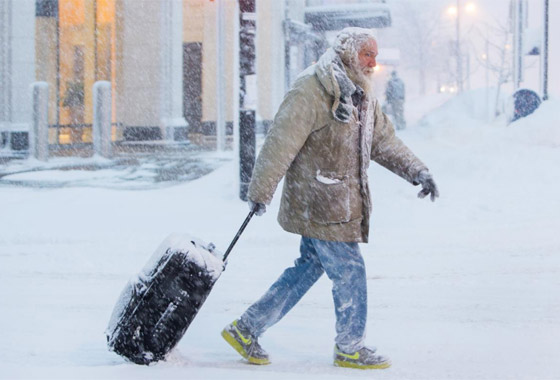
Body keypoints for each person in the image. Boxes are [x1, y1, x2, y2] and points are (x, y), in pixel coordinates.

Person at [221, 27, 439, 370]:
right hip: (319, 199)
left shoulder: (361, 94)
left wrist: (417, 171)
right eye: (368, 54)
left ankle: (246, 328)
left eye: (375, 55)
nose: (373, 62)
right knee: (350, 270)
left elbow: (382, 140)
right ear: (350, 53)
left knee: (309, 267)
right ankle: (350, 346)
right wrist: (261, 190)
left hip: (338, 200)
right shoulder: (312, 88)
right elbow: (281, 141)